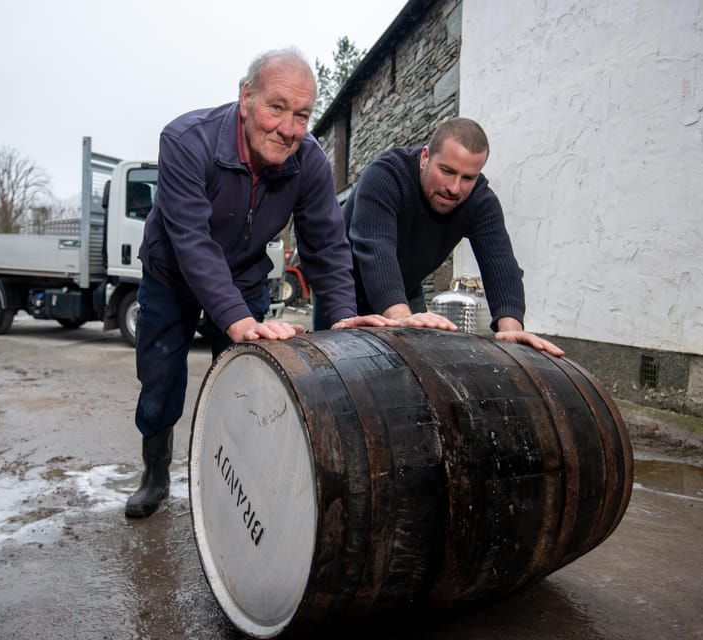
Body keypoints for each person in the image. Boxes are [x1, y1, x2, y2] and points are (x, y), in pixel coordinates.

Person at [126, 49, 393, 519]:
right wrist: (238, 320)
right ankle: (155, 473)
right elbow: (191, 240)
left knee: (244, 383)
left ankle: (234, 478)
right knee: (161, 380)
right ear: (246, 97)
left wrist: (343, 317)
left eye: (302, 115)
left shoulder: (307, 161)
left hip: (245, 274)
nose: (289, 129)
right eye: (277, 107)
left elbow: (328, 248)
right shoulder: (187, 140)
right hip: (171, 276)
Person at [315, 117, 563, 356]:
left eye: (468, 178)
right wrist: (401, 317)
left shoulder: (481, 202)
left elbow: (500, 264)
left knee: (412, 365)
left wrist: (511, 330)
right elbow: (375, 249)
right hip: (343, 288)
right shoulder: (385, 176)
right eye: (446, 171)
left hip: (403, 288)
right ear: (425, 158)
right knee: (333, 364)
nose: (454, 188)